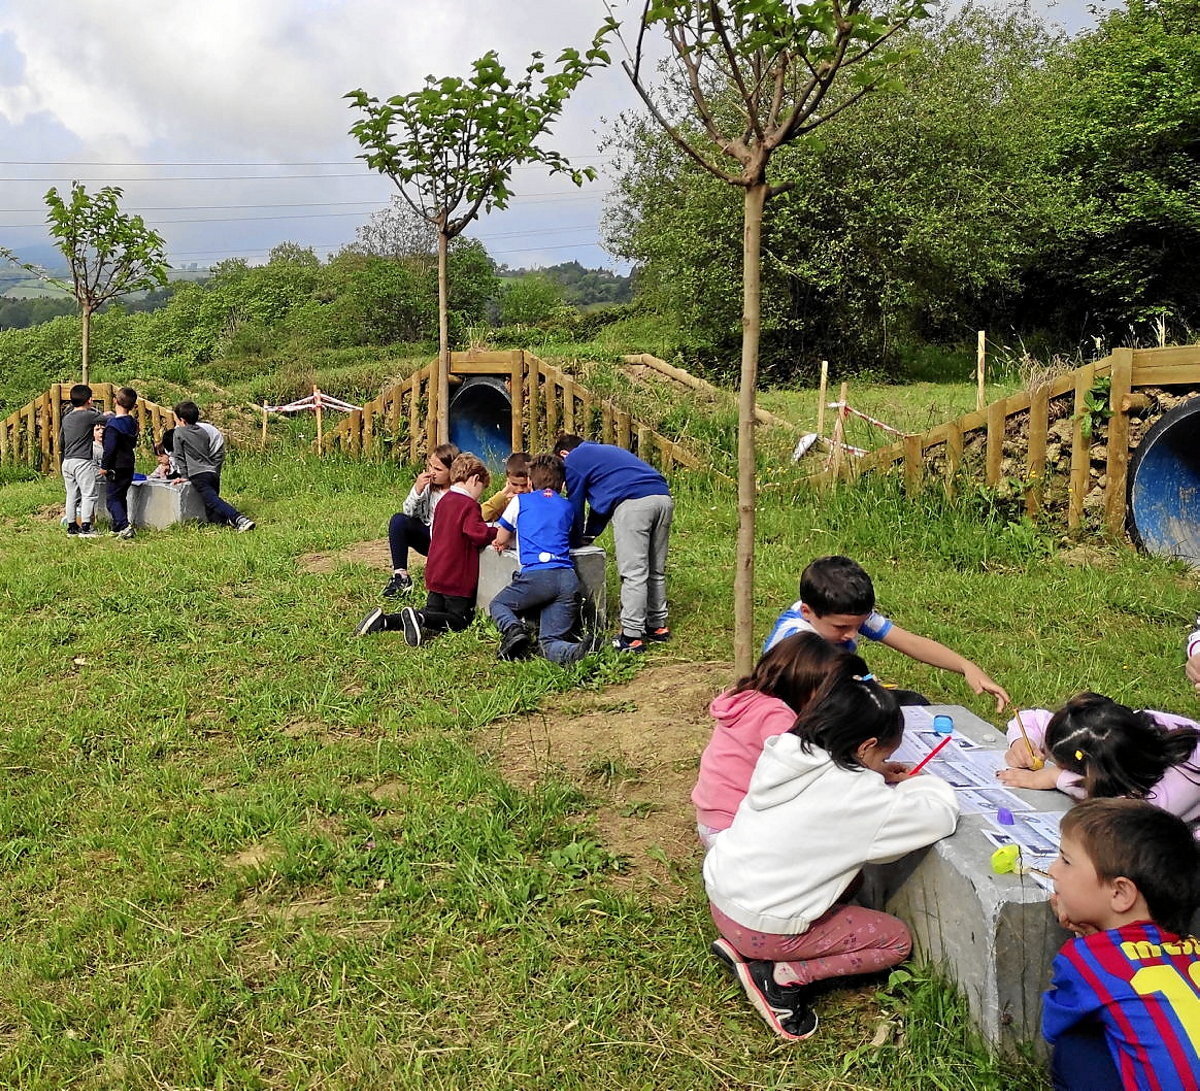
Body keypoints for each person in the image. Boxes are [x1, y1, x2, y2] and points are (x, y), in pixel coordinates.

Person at [704, 678, 959, 1040]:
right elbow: (937, 817)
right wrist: (923, 783)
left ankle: (752, 950)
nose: (883, 763)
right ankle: (781, 979)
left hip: (724, 900)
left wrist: (873, 770)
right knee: (895, 941)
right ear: (866, 747)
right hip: (763, 928)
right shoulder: (856, 797)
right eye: (882, 756)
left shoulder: (788, 753)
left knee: (852, 879)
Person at [1042, 797, 1200, 1090]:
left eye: (1066, 861)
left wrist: (1087, 942)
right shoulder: (1194, 950)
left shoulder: (1087, 958)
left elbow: (1053, 1026)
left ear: (1120, 893)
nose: (1053, 869)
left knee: (1073, 1046)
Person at [764, 555, 1010, 712]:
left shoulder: (842, 613)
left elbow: (910, 642)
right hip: (795, 713)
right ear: (807, 612)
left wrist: (966, 667)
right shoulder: (794, 640)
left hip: (836, 698)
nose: (851, 634)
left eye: (859, 626)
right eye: (841, 628)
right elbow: (806, 702)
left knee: (914, 704)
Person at [691, 633, 866, 846]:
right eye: (825, 692)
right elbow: (802, 767)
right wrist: (864, 769)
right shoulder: (776, 716)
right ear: (802, 683)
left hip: (714, 817)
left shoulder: (750, 698)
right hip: (736, 826)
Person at [998, 692, 1200, 833]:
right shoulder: (1104, 730)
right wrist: (1023, 741)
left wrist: (1058, 777)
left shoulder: (1184, 777)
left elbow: (1132, 813)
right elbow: (1031, 719)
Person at [356, 454, 496, 645]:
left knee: (433, 613)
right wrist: (498, 532)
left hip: (436, 573)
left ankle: (385, 621)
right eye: (482, 488)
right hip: (456, 578)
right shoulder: (469, 506)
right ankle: (419, 618)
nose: (480, 494)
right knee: (459, 619)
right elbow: (477, 533)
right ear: (475, 479)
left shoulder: (443, 502)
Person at [553, 433, 673, 653]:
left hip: (634, 505)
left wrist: (573, 539)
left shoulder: (573, 459)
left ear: (563, 454)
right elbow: (604, 502)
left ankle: (631, 636)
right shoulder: (604, 452)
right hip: (662, 498)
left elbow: (575, 503)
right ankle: (657, 626)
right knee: (655, 570)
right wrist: (590, 534)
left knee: (634, 572)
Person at [488, 454, 591, 665]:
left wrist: (501, 541)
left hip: (537, 576)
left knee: (498, 604)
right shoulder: (568, 507)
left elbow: (501, 536)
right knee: (549, 641)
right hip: (567, 578)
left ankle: (514, 630)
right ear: (562, 485)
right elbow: (573, 538)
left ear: (530, 482)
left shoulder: (520, 501)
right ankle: (576, 650)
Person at [382, 443, 459, 597]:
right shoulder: (428, 487)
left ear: (452, 471)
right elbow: (408, 512)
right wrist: (417, 490)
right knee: (398, 521)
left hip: (447, 545)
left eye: (438, 469)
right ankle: (401, 576)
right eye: (430, 466)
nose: (432, 472)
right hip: (428, 538)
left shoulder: (458, 493)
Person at [171, 401, 254, 532]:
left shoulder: (179, 432)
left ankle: (239, 519)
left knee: (213, 501)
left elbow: (179, 456)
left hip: (198, 475)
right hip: (212, 472)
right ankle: (229, 521)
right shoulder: (203, 431)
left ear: (182, 420)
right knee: (210, 512)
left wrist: (184, 476)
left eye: (176, 420)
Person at [59, 383, 105, 537]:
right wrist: (108, 413)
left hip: (67, 461)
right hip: (82, 461)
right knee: (88, 494)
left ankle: (72, 527)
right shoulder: (89, 415)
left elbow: (61, 440)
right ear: (89, 400)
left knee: (71, 495)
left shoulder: (66, 418)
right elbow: (106, 419)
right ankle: (86, 527)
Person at [98, 386, 140, 540]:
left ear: (115, 401)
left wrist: (104, 466)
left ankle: (124, 525)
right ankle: (117, 526)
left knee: (112, 499)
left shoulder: (113, 426)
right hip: (129, 464)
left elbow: (109, 449)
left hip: (116, 466)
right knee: (121, 496)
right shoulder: (132, 423)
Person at [481, 452, 531, 523]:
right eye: (514, 484)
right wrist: (502, 495)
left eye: (524, 485)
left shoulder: (538, 498)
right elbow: (480, 516)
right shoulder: (505, 501)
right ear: (508, 481)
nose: (519, 489)